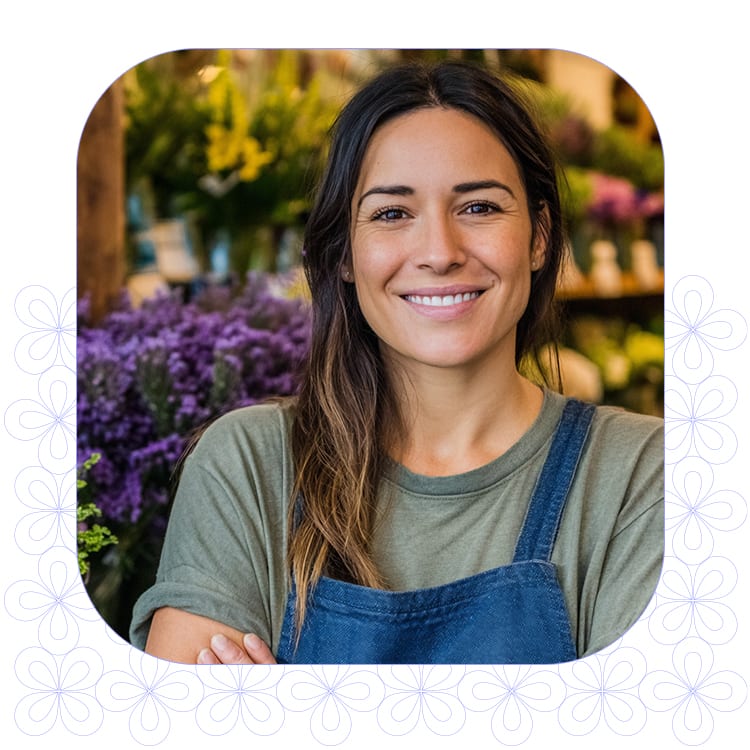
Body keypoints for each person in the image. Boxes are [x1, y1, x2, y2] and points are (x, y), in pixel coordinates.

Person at [130, 59, 664, 665]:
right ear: (344, 254)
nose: (439, 252)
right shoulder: (248, 468)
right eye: (391, 213)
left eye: (480, 207)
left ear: (539, 237)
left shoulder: (641, 477)